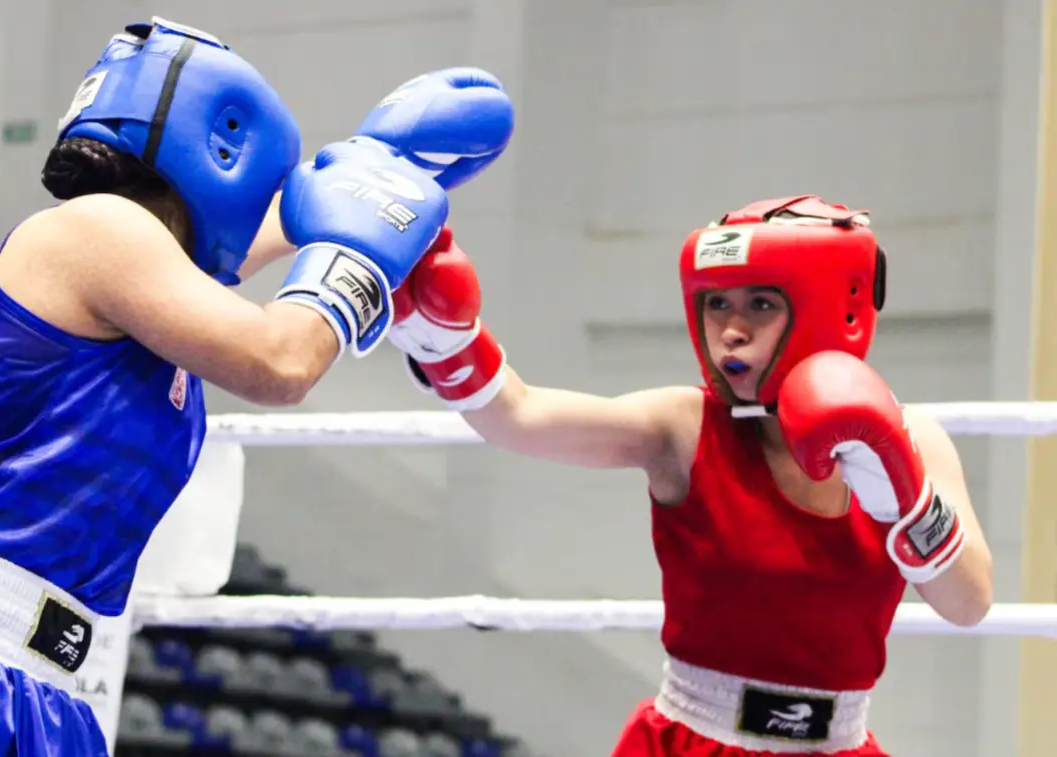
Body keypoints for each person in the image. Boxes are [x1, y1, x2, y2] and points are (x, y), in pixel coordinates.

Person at [0, 16, 512, 756]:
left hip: (40, 679)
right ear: (224, 139)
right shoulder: (96, 230)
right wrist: (362, 254)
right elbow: (281, 360)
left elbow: (278, 240)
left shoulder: (147, 279)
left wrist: (381, 168)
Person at [387, 196, 994, 756]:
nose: (731, 329)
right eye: (716, 303)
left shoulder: (915, 441)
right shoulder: (686, 426)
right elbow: (518, 417)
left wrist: (904, 501)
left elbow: (969, 605)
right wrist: (444, 340)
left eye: (761, 303)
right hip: (689, 740)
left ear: (833, 309)